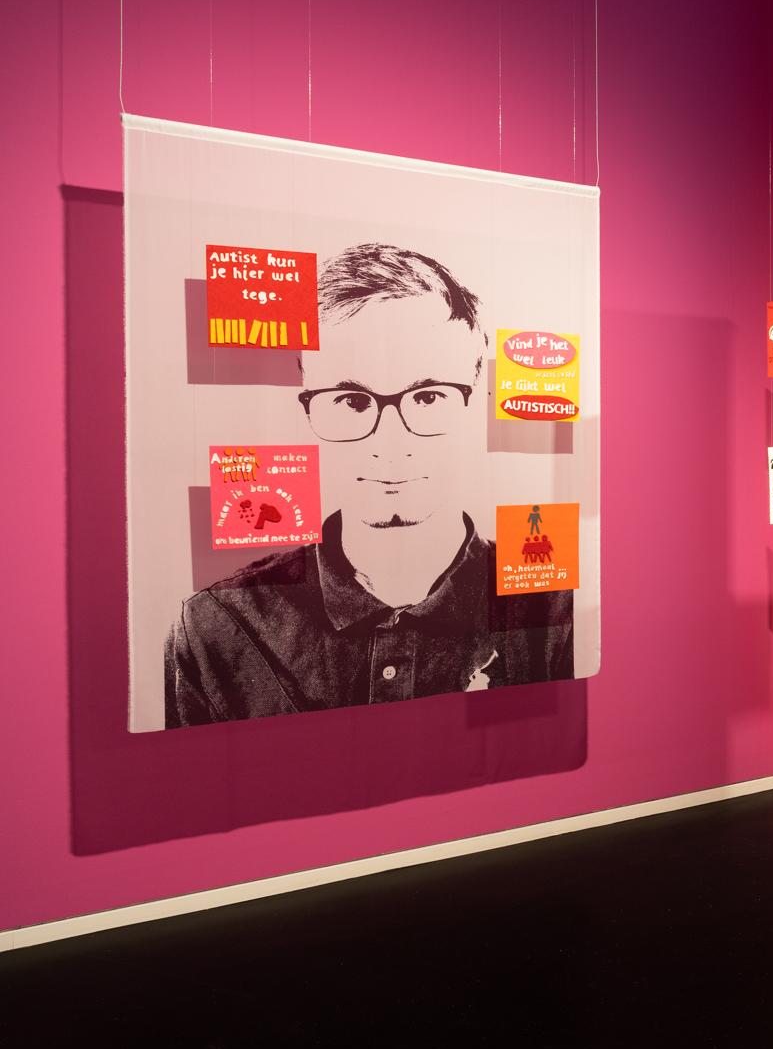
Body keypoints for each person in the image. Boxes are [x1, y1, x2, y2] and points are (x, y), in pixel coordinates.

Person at [165, 244, 574, 726]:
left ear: (474, 406)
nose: (390, 445)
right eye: (352, 401)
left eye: (428, 397)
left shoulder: (555, 608)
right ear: (308, 412)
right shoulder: (215, 626)